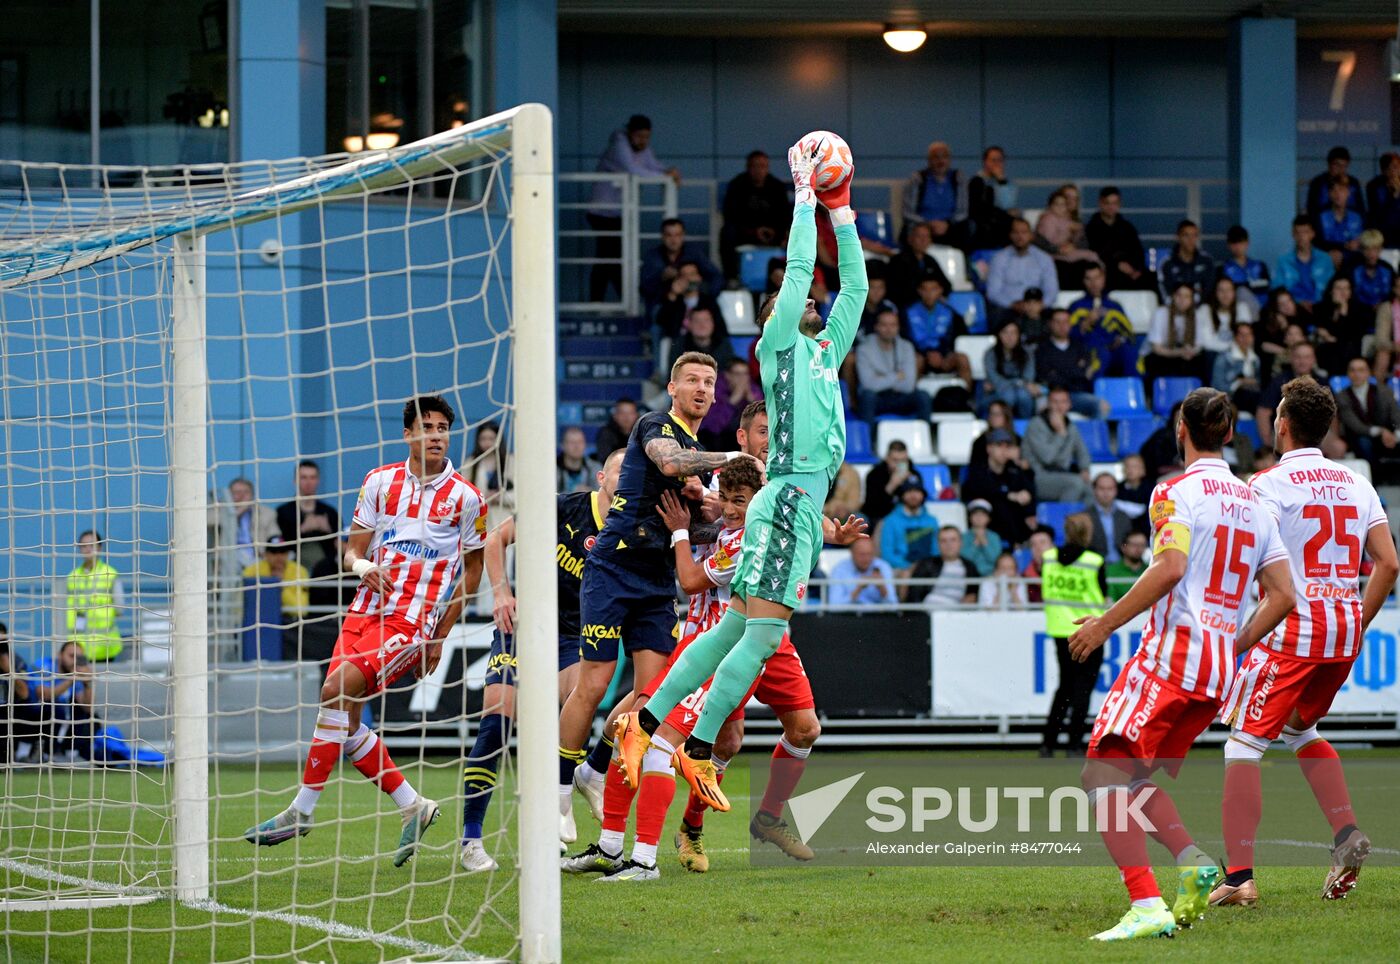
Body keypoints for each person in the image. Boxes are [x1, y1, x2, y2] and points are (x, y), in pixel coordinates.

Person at [615, 142, 875, 815]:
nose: (804, 300)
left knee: (733, 630)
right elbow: (796, 271)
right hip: (788, 498)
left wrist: (842, 211)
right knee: (759, 636)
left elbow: (858, 285)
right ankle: (696, 748)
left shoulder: (827, 348)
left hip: (789, 503)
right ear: (768, 326)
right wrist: (804, 197)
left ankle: (643, 728)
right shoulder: (780, 346)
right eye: (786, 304)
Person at [1067, 387, 1295, 941]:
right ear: (1231, 433)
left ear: (1180, 429)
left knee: (1100, 774)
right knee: (1135, 775)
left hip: (1171, 660)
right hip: (1217, 671)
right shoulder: (1254, 503)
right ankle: (1193, 864)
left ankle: (1146, 904)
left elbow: (1170, 568)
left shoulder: (1174, 491)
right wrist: (1230, 646)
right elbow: (1284, 595)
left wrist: (1103, 624)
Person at [244, 395, 486, 867]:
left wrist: (440, 632)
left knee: (334, 690)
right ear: (408, 434)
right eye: (427, 427)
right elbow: (350, 552)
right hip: (362, 612)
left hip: (411, 621)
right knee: (346, 721)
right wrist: (363, 565)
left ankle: (301, 811)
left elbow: (473, 571)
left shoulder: (466, 496)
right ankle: (413, 805)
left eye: (443, 428)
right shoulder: (378, 482)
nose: (436, 435)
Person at [569, 455, 827, 879]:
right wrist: (704, 500)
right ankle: (616, 844)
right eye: (725, 498)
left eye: (738, 501)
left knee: (660, 737)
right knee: (658, 730)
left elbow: (690, 579)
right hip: (709, 641)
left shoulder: (750, 539)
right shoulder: (736, 509)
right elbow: (721, 510)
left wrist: (681, 531)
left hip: (726, 645)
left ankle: (645, 856)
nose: (728, 507)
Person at [557, 352, 762, 840]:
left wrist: (732, 517)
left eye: (709, 382)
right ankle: (559, 792)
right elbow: (669, 461)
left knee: (652, 698)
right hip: (614, 566)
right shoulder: (655, 426)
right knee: (594, 683)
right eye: (691, 379)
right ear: (672, 388)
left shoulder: (693, 448)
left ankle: (596, 768)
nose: (701, 387)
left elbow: (700, 521)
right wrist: (730, 458)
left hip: (655, 580)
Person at [1213, 377, 1398, 907]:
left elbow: (1252, 562)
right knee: (1300, 728)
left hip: (1294, 628)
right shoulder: (1357, 482)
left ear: (1284, 425)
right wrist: (1356, 622)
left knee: (1243, 744)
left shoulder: (1267, 484)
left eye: (1275, 417)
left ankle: (1239, 878)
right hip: (1342, 630)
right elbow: (1388, 564)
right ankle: (1345, 836)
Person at [462, 449, 625, 873]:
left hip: (573, 635)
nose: (626, 479)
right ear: (602, 475)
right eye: (620, 470)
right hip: (524, 625)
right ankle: (471, 840)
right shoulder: (566, 506)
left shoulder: (632, 530)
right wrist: (500, 592)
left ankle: (561, 802)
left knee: (579, 701)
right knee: (499, 718)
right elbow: (494, 538)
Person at [588, 115, 680, 301]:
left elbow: (653, 166)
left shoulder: (642, 148)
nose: (643, 141)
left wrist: (668, 172)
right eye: (639, 136)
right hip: (602, 212)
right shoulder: (619, 146)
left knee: (611, 258)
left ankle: (614, 300)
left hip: (619, 213)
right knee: (610, 258)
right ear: (630, 133)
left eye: (646, 137)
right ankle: (619, 300)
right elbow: (634, 170)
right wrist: (666, 177)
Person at [1038, 512, 1107, 757]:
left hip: (1060, 631)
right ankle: (1074, 745)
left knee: (1064, 688)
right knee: (1083, 689)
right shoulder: (1094, 561)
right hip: (1089, 632)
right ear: (1087, 533)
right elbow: (1103, 595)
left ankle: (1048, 743)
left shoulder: (1047, 558)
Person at [720, 150, 792, 282]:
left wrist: (777, 232)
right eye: (755, 166)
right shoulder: (737, 185)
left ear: (767, 168)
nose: (759, 170)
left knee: (795, 234)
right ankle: (731, 278)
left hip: (773, 234)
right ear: (748, 167)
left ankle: (792, 278)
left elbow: (785, 216)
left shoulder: (777, 187)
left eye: (763, 166)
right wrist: (753, 232)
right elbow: (730, 215)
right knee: (727, 232)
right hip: (745, 233)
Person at [855, 307, 932, 425]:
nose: (889, 329)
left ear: (898, 327)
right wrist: (896, 376)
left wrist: (880, 377)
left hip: (901, 397)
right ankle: (869, 441)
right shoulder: (864, 349)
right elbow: (868, 385)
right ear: (876, 327)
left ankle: (924, 438)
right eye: (884, 325)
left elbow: (909, 385)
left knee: (923, 396)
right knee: (867, 397)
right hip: (878, 398)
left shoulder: (907, 347)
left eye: (893, 325)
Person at [961, 428, 1038, 545]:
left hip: (1015, 521)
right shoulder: (978, 469)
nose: (1004, 450)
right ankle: (1017, 543)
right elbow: (981, 489)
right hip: (990, 520)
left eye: (1007, 447)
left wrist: (1029, 511)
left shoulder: (1013, 470)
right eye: (999, 446)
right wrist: (1008, 495)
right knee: (1001, 505)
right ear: (989, 449)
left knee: (1046, 531)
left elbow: (1029, 488)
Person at [63, 530, 126, 662]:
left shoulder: (110, 573)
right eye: (84, 546)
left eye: (92, 545)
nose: (88, 549)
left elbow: (120, 608)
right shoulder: (71, 576)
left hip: (104, 645)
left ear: (100, 547)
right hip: (79, 645)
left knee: (104, 681)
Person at [640, 219, 724, 315]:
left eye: (677, 235)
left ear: (683, 235)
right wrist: (662, 277)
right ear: (662, 236)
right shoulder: (653, 257)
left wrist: (700, 291)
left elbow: (717, 277)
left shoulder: (694, 254)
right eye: (669, 235)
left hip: (693, 304)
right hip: (664, 307)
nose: (673, 240)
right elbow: (644, 288)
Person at [1024, 386, 1092, 503]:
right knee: (1075, 484)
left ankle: (1083, 521)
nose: (1059, 406)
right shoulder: (1036, 424)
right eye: (1055, 402)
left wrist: (1084, 468)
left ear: (1069, 405)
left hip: (1062, 474)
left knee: (1092, 490)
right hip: (1038, 476)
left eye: (1063, 402)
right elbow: (1047, 458)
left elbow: (1082, 451)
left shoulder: (1070, 426)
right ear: (1048, 404)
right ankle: (1064, 520)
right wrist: (1060, 434)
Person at [210, 476, 280, 590]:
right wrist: (235, 513)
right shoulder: (220, 510)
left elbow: (275, 538)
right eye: (237, 492)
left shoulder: (267, 513)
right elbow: (207, 521)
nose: (242, 496)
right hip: (229, 560)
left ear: (252, 495)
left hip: (258, 557)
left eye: (246, 492)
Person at [1067, 263, 1136, 377]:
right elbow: (1068, 336)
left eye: (1097, 278)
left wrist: (1121, 339)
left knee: (1130, 352)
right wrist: (1086, 322)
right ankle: (1097, 392)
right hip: (1088, 351)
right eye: (1089, 279)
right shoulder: (1076, 306)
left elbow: (1129, 335)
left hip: (1114, 350)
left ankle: (1133, 391)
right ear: (1084, 281)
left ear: (1103, 278)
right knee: (1101, 355)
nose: (1094, 283)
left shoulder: (1114, 306)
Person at [1335, 356, 1400, 476]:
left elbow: (1395, 414)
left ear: (1368, 373)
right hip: (1358, 436)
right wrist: (1381, 431)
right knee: (1364, 443)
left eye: (1361, 370)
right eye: (1352, 370)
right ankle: (1373, 481)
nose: (1357, 374)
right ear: (1348, 374)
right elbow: (1355, 425)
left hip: (1386, 436)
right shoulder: (1342, 396)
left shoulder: (1384, 391)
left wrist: (1396, 434)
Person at [1034, 309, 1101, 417]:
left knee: (1101, 405)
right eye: (1057, 322)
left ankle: (1094, 433)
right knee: (1040, 406)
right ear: (1050, 324)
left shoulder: (1080, 347)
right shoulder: (1042, 349)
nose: (1062, 326)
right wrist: (1075, 370)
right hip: (1051, 395)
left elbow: (1086, 375)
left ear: (1070, 324)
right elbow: (1046, 376)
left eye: (1065, 322)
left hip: (1075, 395)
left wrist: (1059, 371)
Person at [275, 460, 340, 572]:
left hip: (328, 572)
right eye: (304, 477)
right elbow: (277, 545)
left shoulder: (330, 513)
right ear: (295, 481)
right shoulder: (283, 512)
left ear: (318, 480)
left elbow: (340, 544)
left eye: (312, 477)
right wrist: (302, 529)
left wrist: (328, 531)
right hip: (292, 571)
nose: (308, 482)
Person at [986, 218, 1058, 318]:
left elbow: (1051, 290)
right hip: (1008, 309)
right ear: (1010, 235)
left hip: (1038, 309)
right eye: (1016, 232)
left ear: (1031, 235)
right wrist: (1012, 304)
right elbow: (993, 292)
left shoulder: (1044, 258)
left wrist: (1040, 305)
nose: (1020, 237)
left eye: (1024, 232)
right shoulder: (999, 258)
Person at [904, 276, 971, 384]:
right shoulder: (908, 313)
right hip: (919, 357)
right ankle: (914, 398)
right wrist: (927, 355)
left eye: (933, 289)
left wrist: (943, 354)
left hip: (944, 357)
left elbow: (960, 338)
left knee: (962, 359)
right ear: (919, 291)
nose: (929, 294)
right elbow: (905, 340)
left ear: (941, 290)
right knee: (916, 360)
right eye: (925, 289)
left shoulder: (951, 313)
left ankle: (966, 397)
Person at [1145, 282, 1211, 386]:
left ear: (1192, 299)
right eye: (1179, 295)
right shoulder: (1161, 313)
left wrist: (1190, 351)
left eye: (1187, 296)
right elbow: (1156, 348)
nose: (1182, 300)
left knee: (1203, 361)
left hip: (1186, 354)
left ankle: (1200, 397)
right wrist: (1179, 352)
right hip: (1165, 354)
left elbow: (1199, 345)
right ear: (1173, 296)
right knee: (1154, 362)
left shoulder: (1196, 315)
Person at [900, 141, 966, 243]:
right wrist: (928, 223)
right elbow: (907, 213)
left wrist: (947, 224)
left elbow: (962, 212)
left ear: (949, 159)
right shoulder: (917, 179)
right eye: (936, 157)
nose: (940, 161)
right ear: (929, 160)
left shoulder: (958, 178)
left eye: (944, 157)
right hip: (922, 225)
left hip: (950, 227)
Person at [1085, 186, 1148, 291]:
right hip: (1106, 272)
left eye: (1114, 203)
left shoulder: (1127, 228)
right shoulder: (1091, 228)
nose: (1111, 207)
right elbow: (1095, 253)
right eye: (1107, 203)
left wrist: (1135, 269)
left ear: (1119, 204)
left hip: (1130, 272)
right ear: (1100, 203)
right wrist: (1117, 265)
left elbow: (1138, 251)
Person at [1035, 188, 1101, 287]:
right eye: (1069, 197)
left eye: (1075, 199)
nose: (1070, 202)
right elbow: (1043, 241)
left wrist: (1074, 240)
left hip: (1071, 255)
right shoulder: (1047, 219)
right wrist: (1059, 248)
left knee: (1090, 259)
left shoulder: (1073, 220)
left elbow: (1084, 243)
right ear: (1050, 206)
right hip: (1054, 256)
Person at [241, 535, 310, 624]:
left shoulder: (300, 572)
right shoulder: (252, 572)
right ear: (266, 555)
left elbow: (301, 610)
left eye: (282, 552)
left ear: (288, 554)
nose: (278, 557)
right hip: (257, 620)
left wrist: (281, 585)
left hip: (290, 622)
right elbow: (239, 608)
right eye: (274, 552)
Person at [878, 479, 939, 577]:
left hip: (929, 568)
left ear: (923, 495)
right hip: (900, 568)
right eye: (909, 491)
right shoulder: (891, 521)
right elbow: (887, 554)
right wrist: (908, 566)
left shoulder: (932, 521)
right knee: (906, 575)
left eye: (917, 491)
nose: (913, 495)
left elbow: (936, 549)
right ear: (902, 495)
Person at [886, 220, 953, 309]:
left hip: (931, 305)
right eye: (919, 236)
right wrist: (924, 294)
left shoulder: (930, 260)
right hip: (905, 307)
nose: (923, 240)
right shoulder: (897, 261)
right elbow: (895, 290)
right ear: (910, 239)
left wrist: (934, 292)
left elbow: (946, 285)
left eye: (927, 236)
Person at [908, 526, 980, 608]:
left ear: (961, 542)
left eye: (953, 540)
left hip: (958, 612)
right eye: (943, 541)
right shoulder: (926, 564)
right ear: (938, 544)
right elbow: (915, 595)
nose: (948, 545)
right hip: (929, 611)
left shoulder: (970, 566)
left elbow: (975, 593)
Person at [653, 261, 724, 344]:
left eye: (692, 274)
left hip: (703, 346)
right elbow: (661, 321)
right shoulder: (675, 301)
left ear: (699, 278)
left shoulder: (708, 301)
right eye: (684, 275)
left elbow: (720, 329)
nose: (688, 279)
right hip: (678, 346)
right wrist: (673, 295)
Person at [1275, 215, 1334, 315]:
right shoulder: (1283, 260)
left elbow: (1332, 286)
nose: (1301, 237)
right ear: (1293, 234)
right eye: (1297, 233)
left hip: (1321, 307)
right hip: (1294, 308)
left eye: (1305, 232)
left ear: (1312, 234)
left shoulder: (1325, 259)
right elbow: (1277, 289)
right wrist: (1298, 302)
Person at [980, 319, 1039, 418]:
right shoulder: (990, 354)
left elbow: (1028, 377)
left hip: (1020, 390)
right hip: (996, 393)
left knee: (1023, 395)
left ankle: (1025, 425)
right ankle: (1005, 425)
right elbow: (996, 380)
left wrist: (1018, 384)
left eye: (1013, 333)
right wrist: (1018, 383)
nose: (1010, 337)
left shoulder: (1027, 353)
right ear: (999, 335)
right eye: (1005, 333)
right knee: (1009, 395)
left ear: (1019, 335)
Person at [703, 357, 761, 450]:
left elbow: (762, 423)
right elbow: (713, 427)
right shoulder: (715, 391)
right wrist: (733, 400)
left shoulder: (754, 390)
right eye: (737, 374)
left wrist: (752, 401)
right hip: (719, 445)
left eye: (745, 374)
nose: (742, 379)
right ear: (727, 375)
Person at [965, 145, 1017, 250]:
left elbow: (1008, 205)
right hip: (984, 230)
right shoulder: (976, 182)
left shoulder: (1006, 183)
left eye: (1000, 160)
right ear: (985, 162)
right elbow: (977, 210)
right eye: (993, 160)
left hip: (1003, 228)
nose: (996, 164)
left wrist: (1001, 182)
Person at [465, 420, 514, 530]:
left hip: (503, 516)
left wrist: (500, 497)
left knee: (503, 545)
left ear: (498, 439)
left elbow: (519, 495)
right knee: (481, 543)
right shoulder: (471, 463)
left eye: (491, 439)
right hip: (479, 517)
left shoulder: (510, 462)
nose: (487, 443)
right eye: (483, 439)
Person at [861, 440, 922, 523]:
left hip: (905, 517)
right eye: (895, 460)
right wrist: (891, 486)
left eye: (903, 461)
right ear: (887, 458)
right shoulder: (874, 475)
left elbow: (920, 503)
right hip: (879, 517)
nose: (900, 465)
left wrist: (911, 487)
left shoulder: (914, 475)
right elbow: (872, 508)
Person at [1314, 275, 1365, 374]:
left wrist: (1343, 311)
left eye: (1346, 288)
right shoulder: (1320, 308)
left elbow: (1350, 335)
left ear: (1351, 292)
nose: (1343, 292)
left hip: (1350, 349)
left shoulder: (1360, 310)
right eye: (1338, 288)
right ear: (1331, 291)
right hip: (1327, 349)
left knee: (1344, 347)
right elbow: (1322, 331)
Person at [826, 538, 897, 607]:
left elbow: (894, 606)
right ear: (852, 553)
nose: (866, 559)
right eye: (862, 555)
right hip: (849, 616)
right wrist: (857, 590)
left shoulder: (883, 567)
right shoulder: (839, 570)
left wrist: (882, 589)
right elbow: (833, 606)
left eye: (869, 554)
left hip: (878, 616)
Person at [666, 305, 736, 376]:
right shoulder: (679, 345)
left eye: (706, 320)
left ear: (713, 324)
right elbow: (674, 377)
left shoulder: (723, 345)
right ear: (689, 325)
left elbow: (730, 375)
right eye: (697, 321)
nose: (702, 325)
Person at [1305, 146, 1365, 228]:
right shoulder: (1318, 183)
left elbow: (1360, 208)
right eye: (1337, 165)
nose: (1341, 169)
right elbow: (1311, 209)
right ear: (1329, 164)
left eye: (1344, 166)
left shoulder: (1353, 182)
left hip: (1350, 226)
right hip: (1323, 226)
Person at [1212, 322, 1263, 414]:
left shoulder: (1255, 359)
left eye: (1249, 335)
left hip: (1251, 395)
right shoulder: (1224, 358)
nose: (1246, 339)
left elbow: (1258, 382)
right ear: (1235, 337)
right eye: (1242, 335)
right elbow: (1217, 385)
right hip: (1231, 397)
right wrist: (1240, 382)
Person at [1157, 220, 1215, 301]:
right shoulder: (1167, 263)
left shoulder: (1206, 261)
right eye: (1186, 235)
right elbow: (1164, 291)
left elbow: (1210, 289)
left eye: (1194, 235)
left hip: (1202, 310)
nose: (1191, 240)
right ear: (1178, 237)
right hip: (1174, 310)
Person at [1317, 177, 1365, 270]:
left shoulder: (1359, 216)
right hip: (1328, 254)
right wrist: (1343, 246)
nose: (1337, 194)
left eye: (1341, 190)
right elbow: (1319, 243)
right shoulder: (1320, 216)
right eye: (1334, 191)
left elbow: (1364, 239)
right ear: (1329, 194)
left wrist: (1359, 243)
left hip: (1352, 256)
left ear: (1348, 192)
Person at [1220, 225, 1271, 309]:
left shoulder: (1260, 266)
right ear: (1228, 245)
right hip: (1236, 312)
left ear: (1247, 243)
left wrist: (1240, 285)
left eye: (1241, 242)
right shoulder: (1223, 268)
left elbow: (1266, 286)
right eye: (1234, 243)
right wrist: (1252, 285)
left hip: (1262, 311)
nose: (1237, 246)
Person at [1086, 474, 1133, 563]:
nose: (1106, 493)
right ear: (1094, 490)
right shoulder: (1085, 516)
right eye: (1102, 488)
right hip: (1094, 565)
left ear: (1116, 490)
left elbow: (1127, 543)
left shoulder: (1124, 517)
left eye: (1110, 489)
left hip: (1121, 565)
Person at [1254, 286, 1297, 379]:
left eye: (1289, 301)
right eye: (1282, 304)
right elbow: (1262, 344)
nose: (1287, 306)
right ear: (1276, 307)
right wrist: (1285, 352)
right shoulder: (1268, 321)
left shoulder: (1301, 314)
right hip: (1277, 362)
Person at [1203, 276, 1254, 353]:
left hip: (1236, 352)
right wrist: (1230, 347)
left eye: (1229, 290)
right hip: (1213, 353)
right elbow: (1206, 342)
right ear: (1215, 293)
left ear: (1234, 292)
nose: (1225, 294)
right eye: (1221, 290)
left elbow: (1245, 338)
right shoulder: (1204, 310)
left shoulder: (1242, 308)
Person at [1350, 229, 1394, 310]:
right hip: (1357, 313)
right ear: (1361, 250)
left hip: (1384, 312)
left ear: (1381, 249)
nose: (1371, 253)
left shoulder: (1388, 269)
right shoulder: (1353, 269)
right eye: (1367, 249)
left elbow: (1393, 294)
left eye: (1375, 249)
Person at [961, 499, 1003, 575]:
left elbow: (996, 560)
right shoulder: (964, 536)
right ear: (970, 518)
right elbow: (963, 559)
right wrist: (975, 543)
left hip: (990, 576)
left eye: (983, 515)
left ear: (988, 519)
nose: (979, 518)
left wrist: (984, 543)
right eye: (975, 514)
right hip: (968, 576)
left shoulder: (994, 537)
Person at [556, 426, 602, 494]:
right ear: (563, 446)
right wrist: (574, 493)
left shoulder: (595, 468)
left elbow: (601, 495)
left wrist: (589, 493)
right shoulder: (553, 469)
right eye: (572, 442)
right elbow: (548, 497)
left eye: (580, 442)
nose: (576, 446)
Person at [1104, 530, 1149, 601]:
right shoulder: (1111, 571)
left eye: (1142, 545)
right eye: (1134, 545)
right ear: (1123, 547)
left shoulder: (1149, 570)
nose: (1139, 549)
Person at [1368, 151, 1400, 247]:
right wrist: (1393, 196)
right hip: (1383, 232)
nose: (1393, 172)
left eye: (1395, 167)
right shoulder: (1374, 186)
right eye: (1388, 168)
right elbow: (1377, 214)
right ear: (1383, 171)